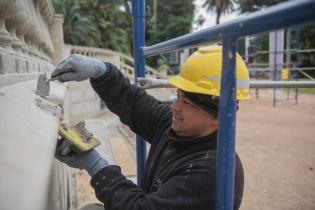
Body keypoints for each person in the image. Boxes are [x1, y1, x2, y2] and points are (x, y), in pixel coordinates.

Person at [53, 45, 249, 210]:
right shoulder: (177, 126)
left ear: (219, 116)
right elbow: (135, 104)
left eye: (187, 103)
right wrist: (101, 72)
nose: (175, 106)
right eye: (178, 95)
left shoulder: (211, 173)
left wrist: (96, 166)